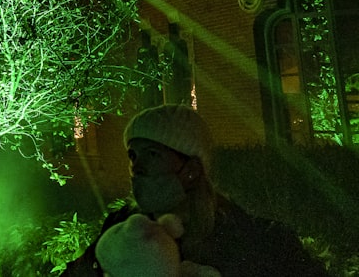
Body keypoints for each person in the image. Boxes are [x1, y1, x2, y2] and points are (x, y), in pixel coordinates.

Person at [64, 104, 328, 276]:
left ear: (191, 170)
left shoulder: (258, 240)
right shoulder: (120, 229)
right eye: (133, 155)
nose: (137, 167)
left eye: (152, 154)